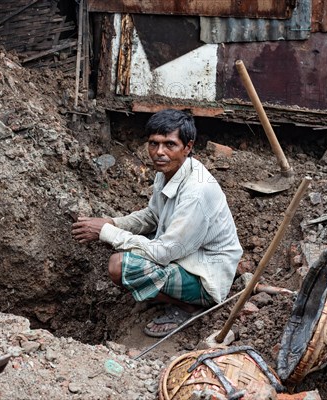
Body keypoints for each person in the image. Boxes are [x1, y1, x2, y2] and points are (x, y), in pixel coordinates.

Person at [71, 109, 243, 337]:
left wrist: (107, 232)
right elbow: (153, 216)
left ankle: (189, 306)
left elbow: (164, 252)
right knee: (118, 241)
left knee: (118, 265)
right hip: (184, 252)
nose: (159, 152)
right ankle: (168, 293)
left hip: (206, 275)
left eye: (169, 145)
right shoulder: (169, 171)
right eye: (154, 143)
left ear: (188, 147)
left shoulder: (197, 192)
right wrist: (112, 222)